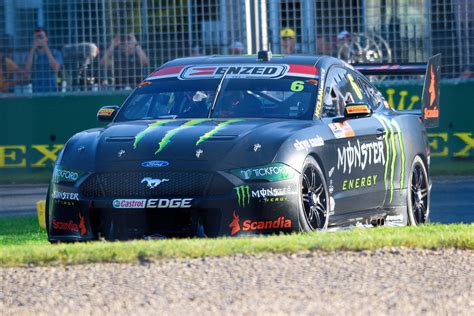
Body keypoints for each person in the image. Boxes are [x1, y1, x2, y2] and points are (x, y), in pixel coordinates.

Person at [25, 28, 62, 93]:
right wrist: (33, 48)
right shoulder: (31, 55)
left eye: (41, 37)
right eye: (37, 37)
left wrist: (46, 47)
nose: (39, 39)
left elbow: (56, 68)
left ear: (46, 38)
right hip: (36, 92)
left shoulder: (55, 53)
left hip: (52, 91)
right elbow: (27, 70)